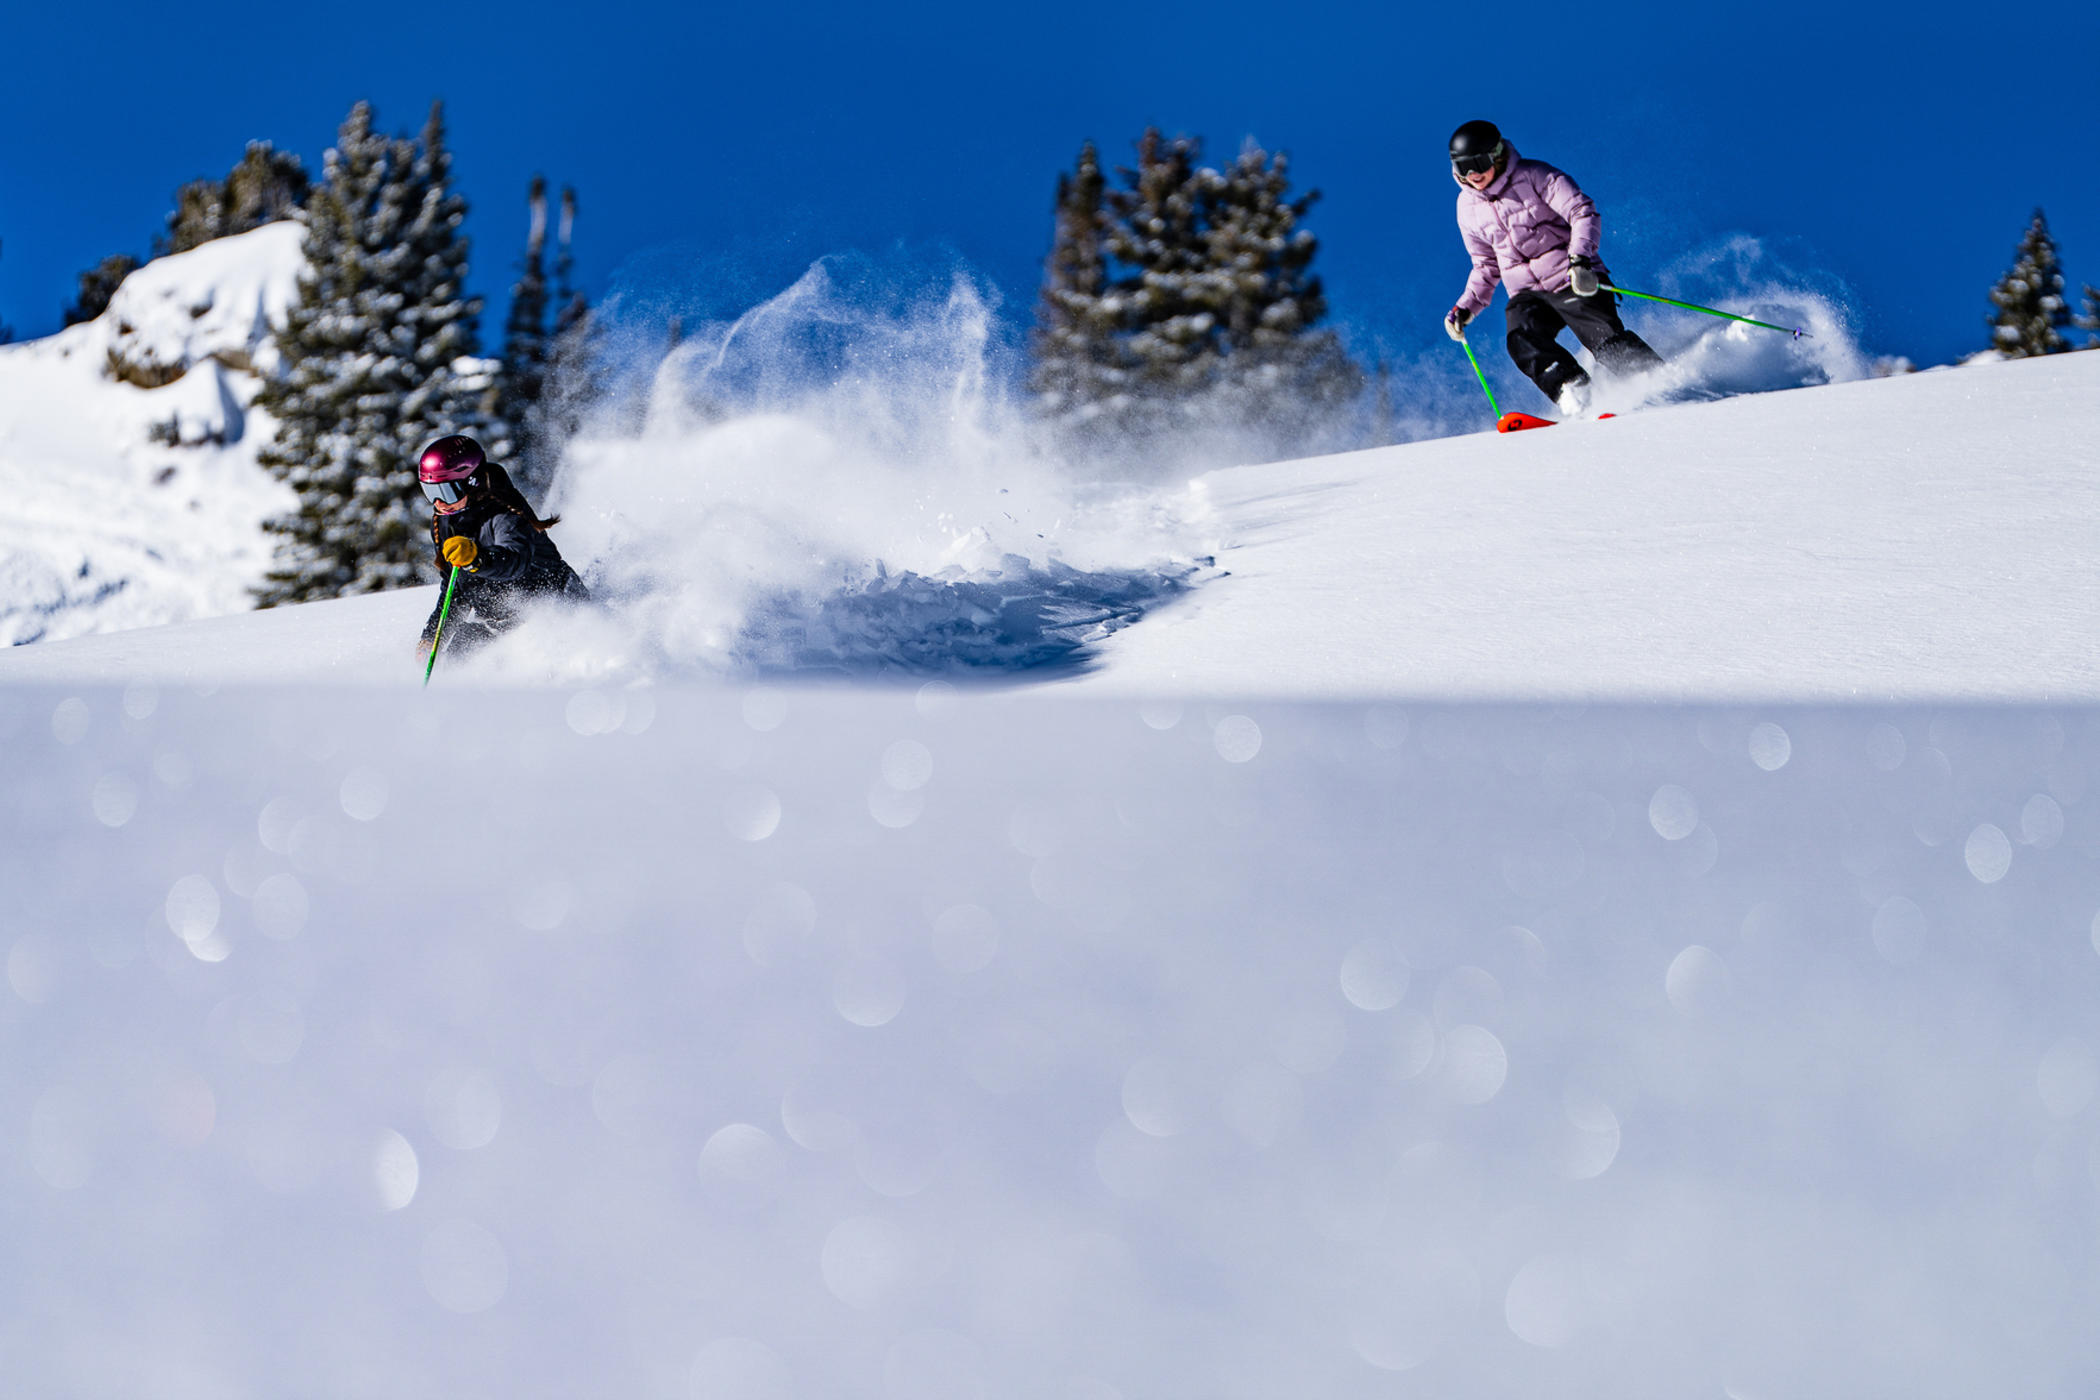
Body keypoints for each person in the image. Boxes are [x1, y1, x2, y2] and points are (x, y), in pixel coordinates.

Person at [1442, 119, 1663, 415]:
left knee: (1600, 335)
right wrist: (1465, 307)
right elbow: (1485, 265)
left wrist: (1580, 260)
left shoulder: (1535, 176)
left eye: (1478, 163)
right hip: (1528, 292)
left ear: (1495, 155)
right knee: (1521, 337)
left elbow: (1581, 211)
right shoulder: (1466, 208)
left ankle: (1655, 382)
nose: (1473, 174)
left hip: (1572, 277)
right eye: (1463, 168)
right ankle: (1574, 391)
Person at [416, 435, 589, 657]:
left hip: (552, 612)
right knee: (457, 656)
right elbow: (456, 588)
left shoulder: (506, 513)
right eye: (430, 492)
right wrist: (432, 637)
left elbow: (516, 561)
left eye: (447, 492)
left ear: (471, 483)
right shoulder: (446, 521)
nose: (438, 503)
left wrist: (476, 560)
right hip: (498, 625)